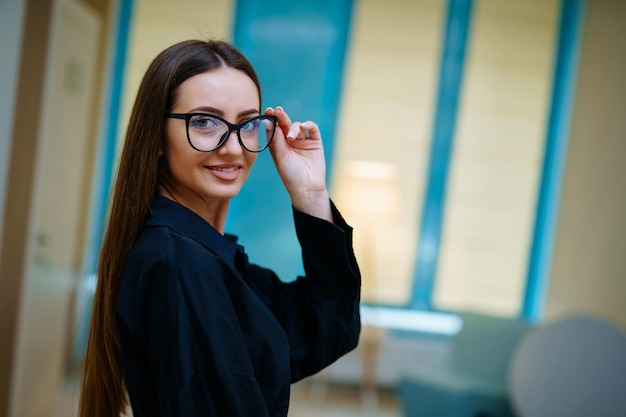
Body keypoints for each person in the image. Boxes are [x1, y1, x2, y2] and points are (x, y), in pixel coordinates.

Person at [79, 39, 361, 417]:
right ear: (157, 136)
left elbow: (328, 327)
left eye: (247, 123)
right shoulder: (181, 265)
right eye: (204, 121)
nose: (232, 148)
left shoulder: (204, 256)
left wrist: (311, 193)